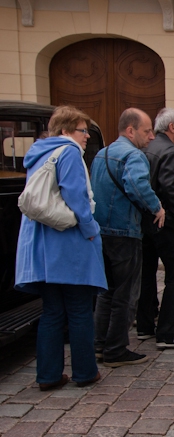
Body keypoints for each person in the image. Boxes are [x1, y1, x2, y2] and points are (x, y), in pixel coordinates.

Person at [15, 106, 107, 390]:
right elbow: (76, 197)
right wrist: (92, 231)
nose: (87, 137)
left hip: (42, 246)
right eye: (83, 131)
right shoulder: (67, 152)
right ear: (66, 130)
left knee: (52, 312)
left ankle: (49, 375)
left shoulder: (39, 153)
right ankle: (84, 372)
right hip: (68, 243)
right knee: (79, 309)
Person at [91, 108, 165, 367]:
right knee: (126, 294)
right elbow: (137, 185)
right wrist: (157, 207)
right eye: (147, 131)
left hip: (101, 231)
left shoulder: (102, 153)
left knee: (106, 292)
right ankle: (115, 349)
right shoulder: (134, 155)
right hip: (125, 231)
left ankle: (100, 345)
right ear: (130, 130)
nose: (152, 136)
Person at [137, 108, 174, 349]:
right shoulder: (170, 151)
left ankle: (145, 325)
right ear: (171, 127)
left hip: (146, 222)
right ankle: (168, 332)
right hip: (165, 224)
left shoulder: (148, 147)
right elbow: (171, 189)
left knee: (146, 274)